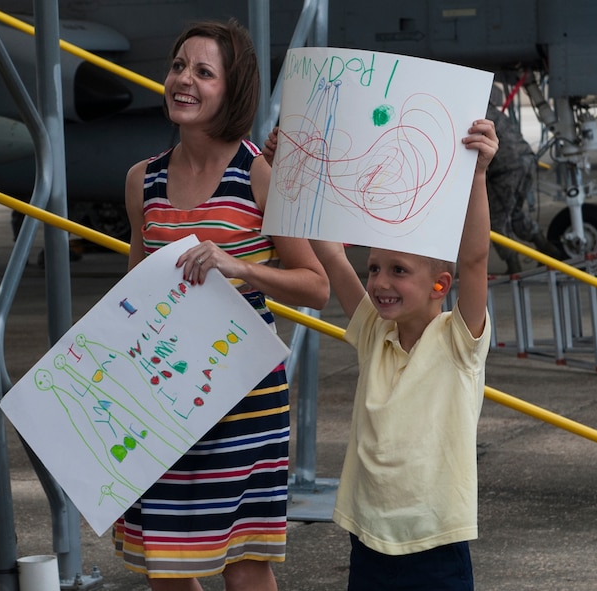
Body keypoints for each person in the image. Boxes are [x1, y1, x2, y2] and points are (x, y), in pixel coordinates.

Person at [112, 19, 329, 591]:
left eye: (203, 72)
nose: (184, 80)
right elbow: (132, 296)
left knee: (244, 564)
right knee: (166, 560)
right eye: (179, 66)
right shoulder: (143, 181)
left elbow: (316, 285)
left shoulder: (260, 174)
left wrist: (244, 268)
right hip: (160, 395)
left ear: (231, 92)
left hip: (242, 397)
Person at [265, 118, 498, 590]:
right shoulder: (376, 332)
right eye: (373, 268)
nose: (379, 282)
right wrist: (283, 168)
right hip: (368, 542)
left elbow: (473, 260)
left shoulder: (459, 341)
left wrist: (477, 176)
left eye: (398, 270)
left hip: (435, 546)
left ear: (440, 285)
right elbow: (328, 250)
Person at [486, 101, 562, 273]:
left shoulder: (475, 114)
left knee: (497, 221)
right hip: (526, 161)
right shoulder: (493, 111)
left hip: (506, 169)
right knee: (514, 213)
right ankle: (548, 250)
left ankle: (514, 266)